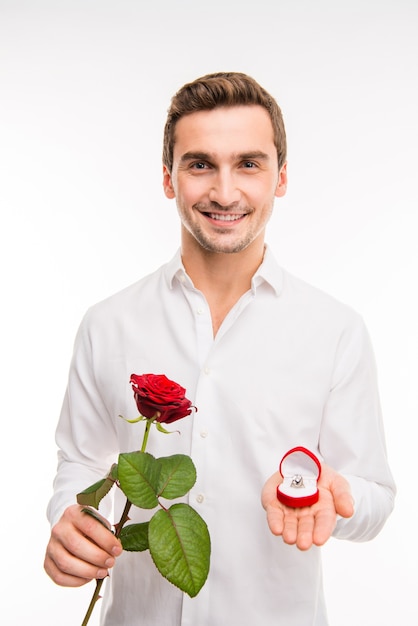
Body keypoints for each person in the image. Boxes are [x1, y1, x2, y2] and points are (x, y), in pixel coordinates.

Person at [44, 72, 395, 626]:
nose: (225, 192)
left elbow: (375, 497)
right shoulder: (107, 324)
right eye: (200, 163)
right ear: (168, 178)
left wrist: (339, 497)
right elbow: (81, 462)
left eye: (249, 164)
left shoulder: (336, 330)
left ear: (280, 178)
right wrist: (72, 521)